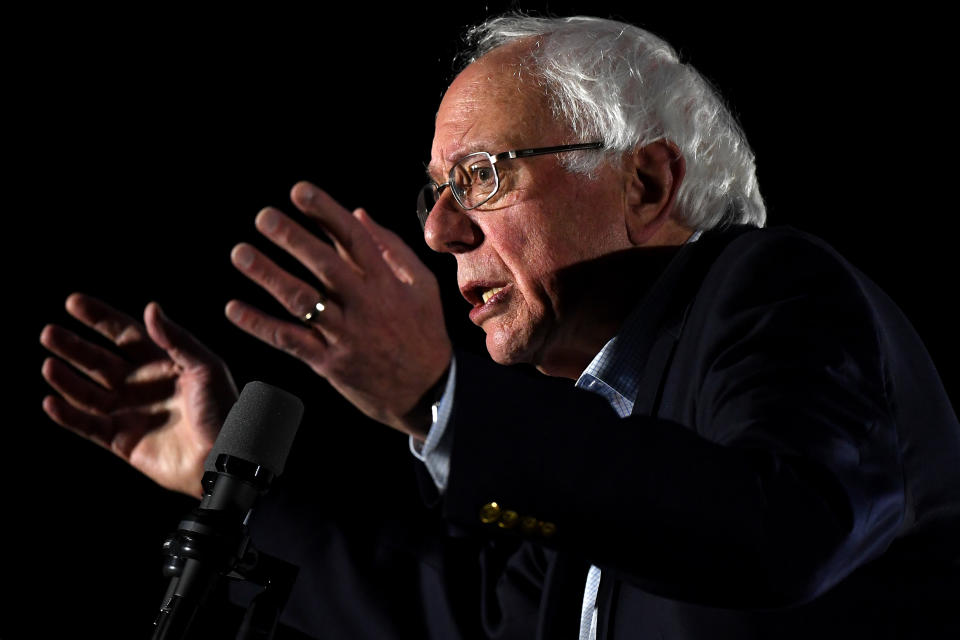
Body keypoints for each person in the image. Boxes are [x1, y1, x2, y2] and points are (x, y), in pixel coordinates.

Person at [39, 14, 959, 640]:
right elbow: (459, 617)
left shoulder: (774, 288)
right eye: (436, 193)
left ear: (645, 184)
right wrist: (221, 481)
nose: (439, 231)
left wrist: (439, 400)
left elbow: (785, 530)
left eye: (481, 176)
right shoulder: (601, 438)